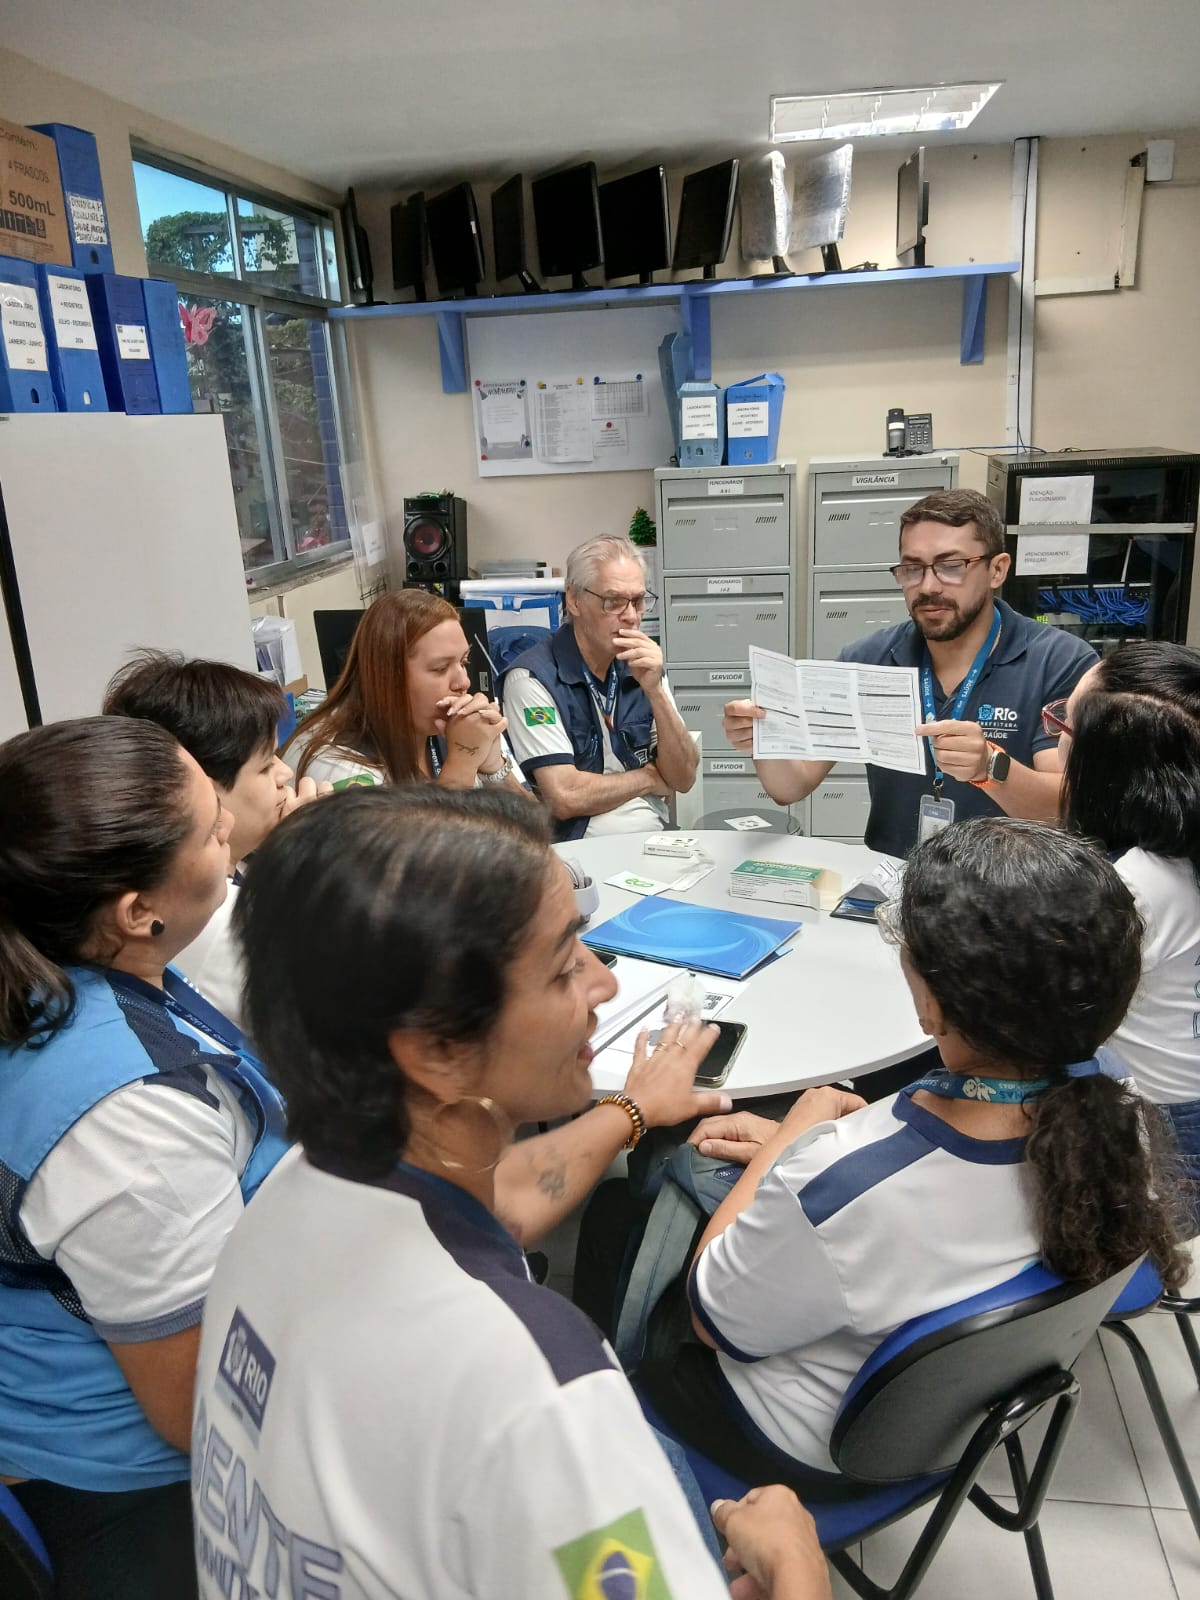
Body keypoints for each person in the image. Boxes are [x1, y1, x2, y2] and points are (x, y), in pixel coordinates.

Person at [192, 786, 828, 1599]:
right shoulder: (539, 1388)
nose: (603, 984)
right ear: (437, 1051)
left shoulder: (285, 1197)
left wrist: (632, 1110)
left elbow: (499, 1201)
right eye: (565, 966)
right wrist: (799, 1570)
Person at [635, 817, 1186, 1487]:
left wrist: (787, 1144)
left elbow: (711, 1318)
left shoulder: (845, 1187)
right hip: (953, 1426)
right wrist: (813, 1156)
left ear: (933, 1005)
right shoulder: (1120, 1113)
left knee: (651, 1182)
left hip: (796, 1445)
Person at [0, 718, 289, 1600]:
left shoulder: (87, 973)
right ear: (135, 911)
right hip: (132, 1482)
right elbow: (203, 1408)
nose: (230, 825)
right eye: (209, 828)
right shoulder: (128, 1122)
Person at [723, 490, 1097, 858]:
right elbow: (793, 785)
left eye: (951, 566)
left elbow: (1066, 810)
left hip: (1012, 886)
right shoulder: (867, 659)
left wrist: (990, 767)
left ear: (996, 570)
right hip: (897, 880)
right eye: (912, 569)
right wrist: (763, 737)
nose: (928, 586)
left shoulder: (1058, 661)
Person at [103, 649, 331, 1024]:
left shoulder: (233, 868)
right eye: (265, 765)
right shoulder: (214, 919)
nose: (285, 774)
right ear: (197, 788)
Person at [1058, 640, 1200, 1216]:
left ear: (1106, 762)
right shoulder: (1180, 861)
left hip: (1167, 1124)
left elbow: (1054, 1009)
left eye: (1062, 725)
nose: (1055, 743)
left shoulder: (1134, 886)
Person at [503, 535, 698, 839]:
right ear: (574, 600)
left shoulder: (643, 665)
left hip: (653, 836)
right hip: (578, 848)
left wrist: (656, 692)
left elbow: (683, 778)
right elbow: (565, 796)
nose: (631, 616)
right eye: (613, 601)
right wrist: (650, 777)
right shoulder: (531, 679)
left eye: (638, 601)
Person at [286, 588, 526, 793]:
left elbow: (534, 826)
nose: (463, 682)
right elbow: (428, 837)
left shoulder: (442, 723)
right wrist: (462, 763)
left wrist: (492, 766)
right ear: (389, 676)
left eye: (464, 662)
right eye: (441, 668)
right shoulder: (338, 766)